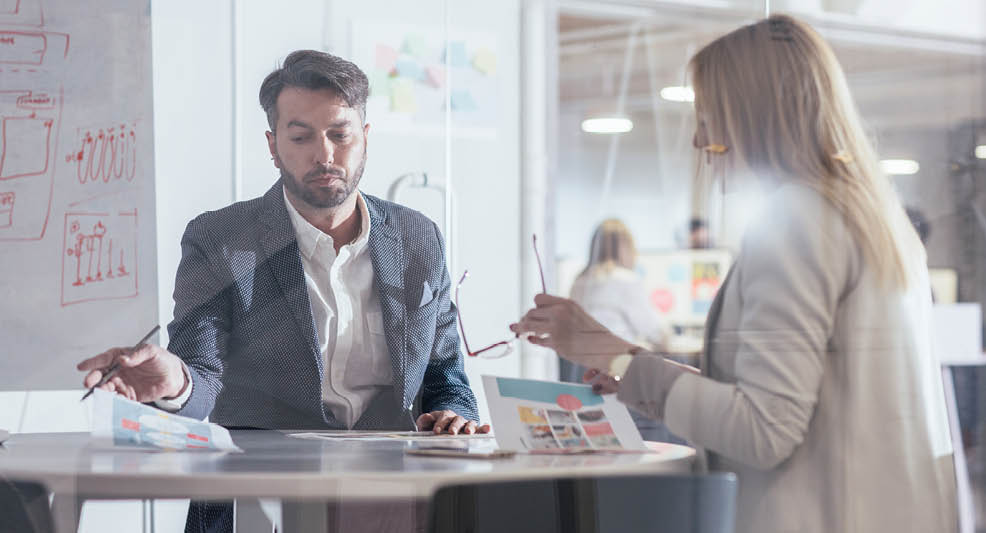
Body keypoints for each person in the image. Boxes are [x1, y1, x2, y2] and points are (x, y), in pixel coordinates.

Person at [512, 15, 956, 533]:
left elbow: (764, 431)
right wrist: (644, 372)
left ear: (753, 116)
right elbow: (811, 402)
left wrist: (611, 353)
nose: (700, 139)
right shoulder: (873, 218)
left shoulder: (796, 220)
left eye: (709, 116)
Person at [78, 50, 487, 532]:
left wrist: (452, 414)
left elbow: (443, 373)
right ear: (273, 146)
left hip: (394, 499)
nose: (325, 155)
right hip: (263, 497)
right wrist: (177, 383)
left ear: (365, 139)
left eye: (340, 134)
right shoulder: (222, 239)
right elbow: (204, 375)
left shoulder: (418, 238)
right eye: (301, 137)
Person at [562, 219, 679, 443]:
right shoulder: (626, 280)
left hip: (580, 378)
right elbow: (655, 332)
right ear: (626, 247)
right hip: (615, 376)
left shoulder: (580, 280)